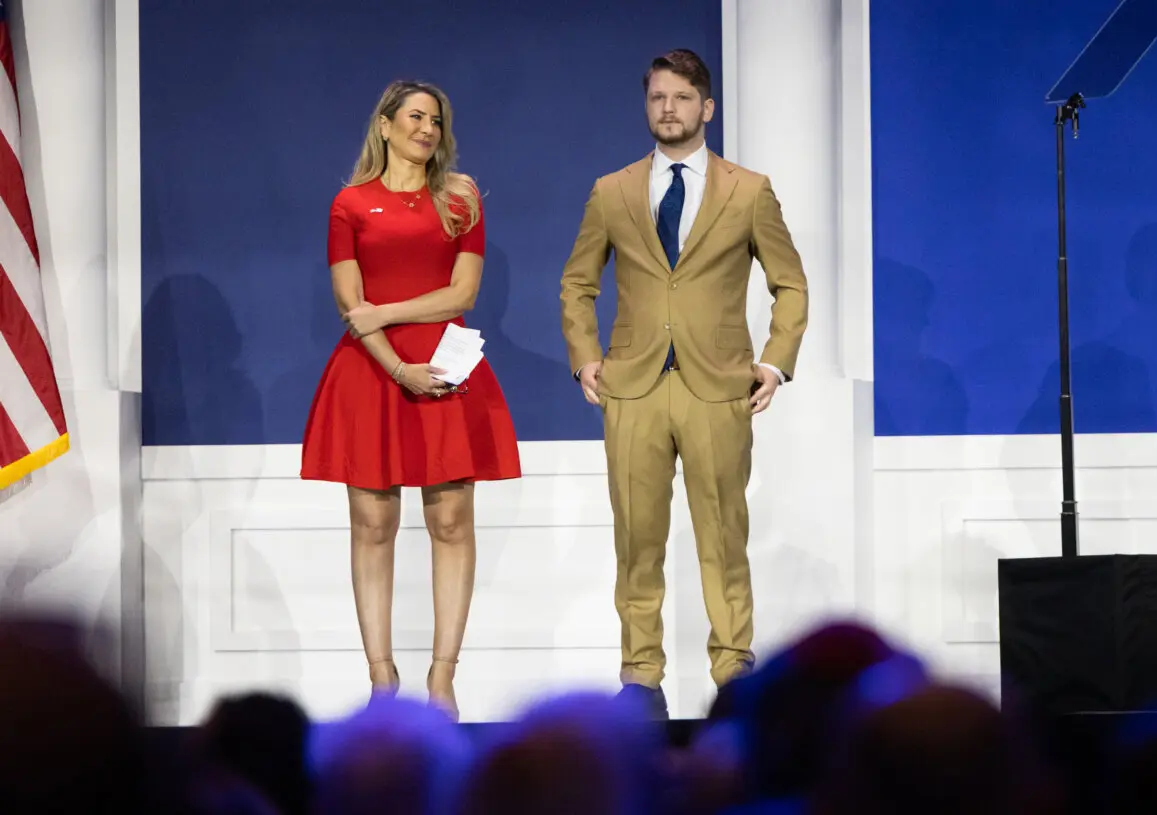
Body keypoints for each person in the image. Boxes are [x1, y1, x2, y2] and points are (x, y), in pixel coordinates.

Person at [559, 49, 809, 719]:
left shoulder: (747, 190)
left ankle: (734, 672)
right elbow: (578, 282)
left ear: (707, 107)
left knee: (723, 535)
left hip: (717, 385)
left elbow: (790, 282)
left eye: (680, 97)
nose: (667, 108)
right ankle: (640, 676)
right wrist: (586, 358)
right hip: (633, 387)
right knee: (636, 538)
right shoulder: (612, 191)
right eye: (657, 98)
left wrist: (775, 361)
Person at [301, 79, 521, 722]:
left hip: (448, 372)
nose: (427, 129)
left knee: (452, 523)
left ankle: (442, 678)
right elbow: (350, 306)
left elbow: (462, 295)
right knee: (373, 525)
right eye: (416, 117)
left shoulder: (460, 198)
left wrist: (387, 314)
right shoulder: (349, 204)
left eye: (436, 120)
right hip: (373, 374)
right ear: (387, 125)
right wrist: (398, 365)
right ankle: (381, 679)